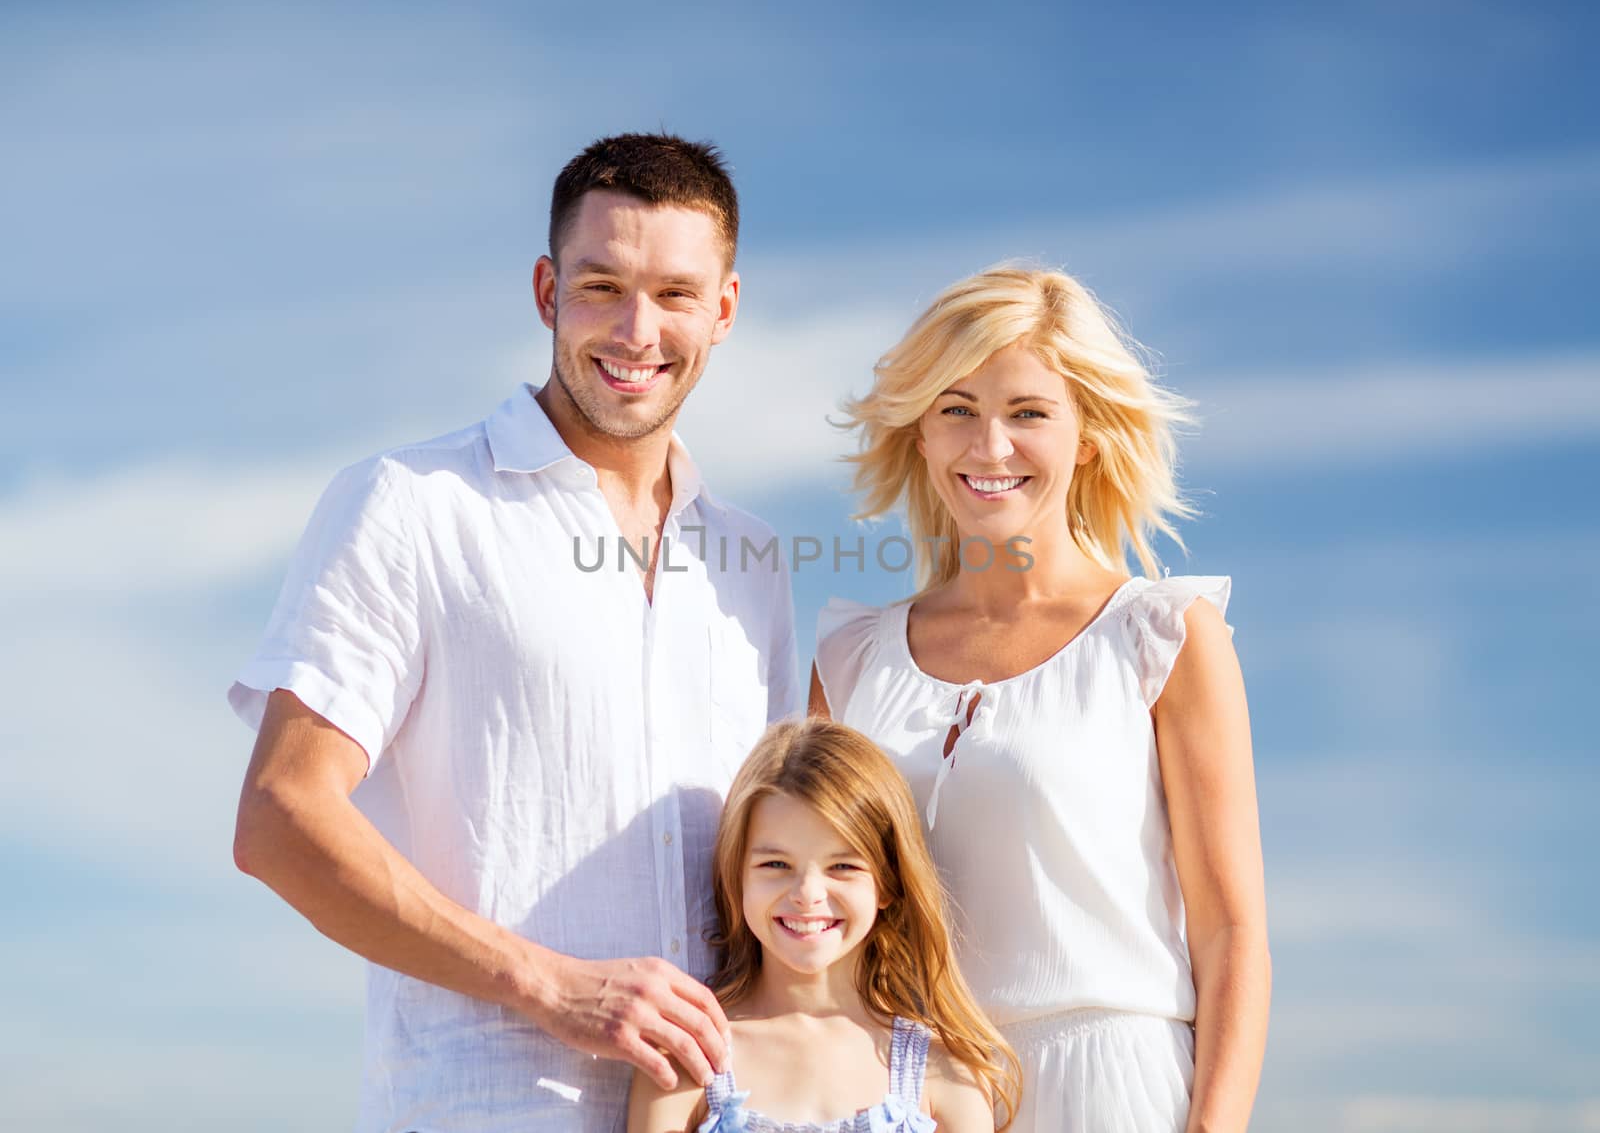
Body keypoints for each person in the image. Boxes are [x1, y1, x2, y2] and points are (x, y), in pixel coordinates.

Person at [228, 133, 800, 1132]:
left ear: (724, 310)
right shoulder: (411, 504)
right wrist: (550, 984)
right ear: (546, 291)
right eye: (600, 287)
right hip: (484, 1109)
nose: (635, 330)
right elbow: (280, 816)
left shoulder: (749, 564)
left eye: (673, 294)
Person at [808, 266, 1270, 1133]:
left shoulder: (1163, 636)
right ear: (918, 433)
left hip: (1111, 1088)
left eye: (1028, 412)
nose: (989, 447)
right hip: (904, 1092)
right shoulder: (849, 657)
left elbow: (1230, 933)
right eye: (956, 409)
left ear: (1086, 434)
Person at [627, 718, 1022, 1133]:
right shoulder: (686, 1057)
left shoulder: (945, 1072)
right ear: (737, 873)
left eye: (843, 866)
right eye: (776, 864)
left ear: (887, 883)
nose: (807, 892)